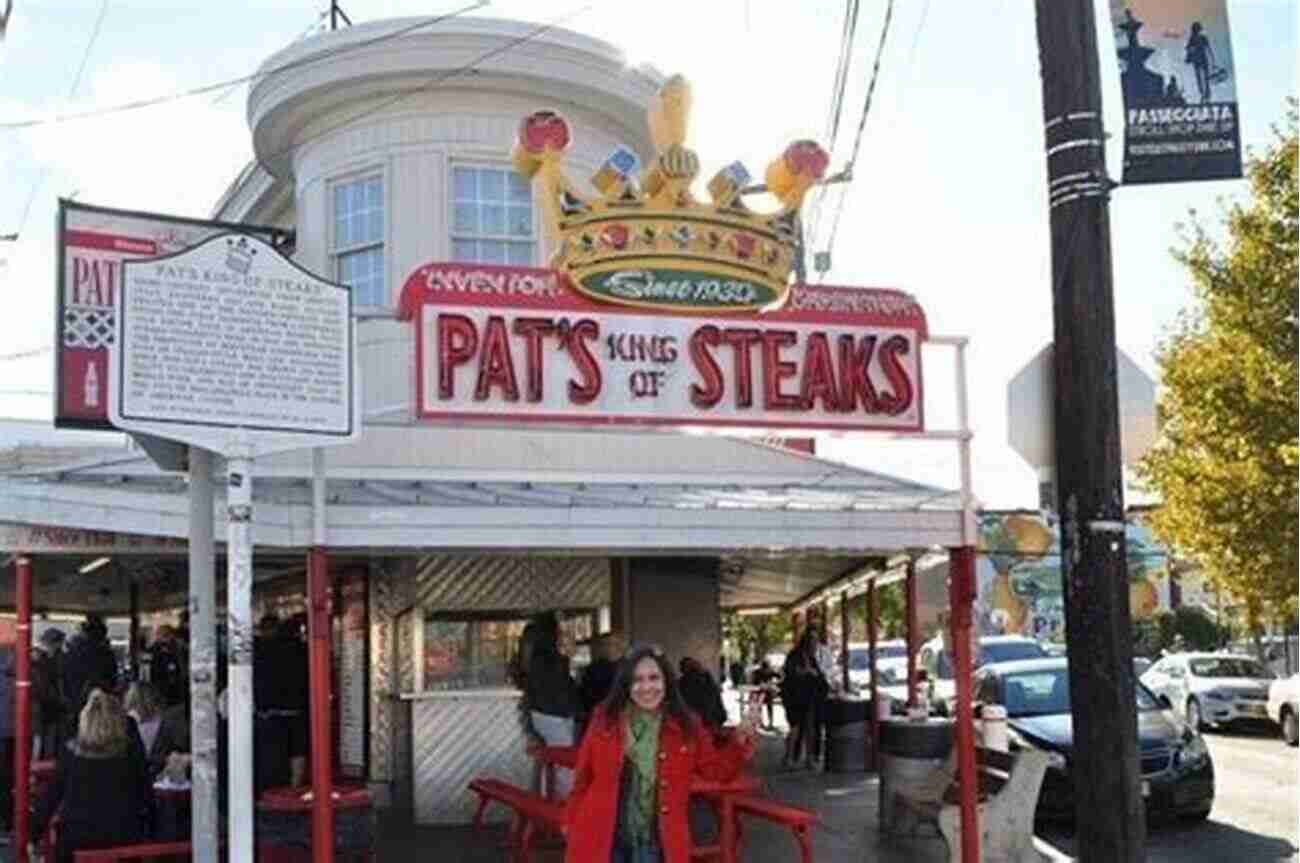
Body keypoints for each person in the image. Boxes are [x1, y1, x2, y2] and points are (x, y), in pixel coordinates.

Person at [563, 643, 756, 863]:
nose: (646, 687)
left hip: (657, 845)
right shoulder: (603, 719)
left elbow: (717, 770)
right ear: (626, 684)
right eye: (637, 680)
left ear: (667, 682)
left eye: (654, 678)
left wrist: (739, 742)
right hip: (599, 838)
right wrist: (569, 822)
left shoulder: (687, 726)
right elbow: (582, 779)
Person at [31, 689, 152, 863]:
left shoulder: (70, 753)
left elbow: (51, 797)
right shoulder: (129, 754)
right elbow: (145, 793)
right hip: (123, 836)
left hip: (77, 839)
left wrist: (33, 834)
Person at [524, 612, 579, 797]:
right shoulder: (550, 657)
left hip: (543, 712)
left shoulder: (537, 656)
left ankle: (546, 803)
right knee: (563, 762)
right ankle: (563, 805)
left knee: (551, 760)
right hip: (555, 713)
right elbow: (562, 683)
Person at [62, 614, 118, 727]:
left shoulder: (73, 651)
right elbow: (112, 676)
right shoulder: (105, 653)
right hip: (99, 697)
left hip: (76, 697)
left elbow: (65, 675)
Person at [780, 632, 825, 769]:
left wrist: (813, 673)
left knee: (809, 728)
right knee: (795, 728)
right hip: (794, 697)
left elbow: (818, 674)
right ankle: (789, 758)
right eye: (814, 642)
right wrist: (807, 672)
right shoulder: (794, 655)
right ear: (807, 643)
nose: (816, 646)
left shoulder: (811, 658)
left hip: (808, 697)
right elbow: (792, 672)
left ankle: (809, 759)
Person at [33, 628, 68, 758]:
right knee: (41, 741)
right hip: (43, 707)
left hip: (50, 707)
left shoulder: (53, 658)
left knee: (47, 741)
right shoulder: (39, 659)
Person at [677, 657, 726, 729]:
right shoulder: (706, 679)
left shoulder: (682, 683)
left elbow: (714, 699)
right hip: (707, 720)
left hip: (704, 721)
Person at [147, 625, 187, 708]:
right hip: (164, 686)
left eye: (160, 634)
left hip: (172, 687)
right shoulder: (157, 648)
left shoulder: (176, 647)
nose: (158, 636)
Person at [1185, 22, 1216, 104]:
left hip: (1200, 60)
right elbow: (1209, 50)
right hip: (1200, 60)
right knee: (1203, 78)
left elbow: (1208, 50)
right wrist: (1213, 61)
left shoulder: (1198, 38)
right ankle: (1205, 95)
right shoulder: (1197, 38)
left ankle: (1205, 94)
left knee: (1202, 78)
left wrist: (1213, 61)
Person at [750, 660, 780, 729]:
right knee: (762, 705)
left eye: (766, 669)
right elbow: (753, 681)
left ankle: (768, 722)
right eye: (765, 669)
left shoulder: (770, 671)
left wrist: (774, 683)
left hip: (767, 693)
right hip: (760, 692)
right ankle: (762, 722)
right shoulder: (758, 672)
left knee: (767, 705)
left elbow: (780, 676)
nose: (766, 671)